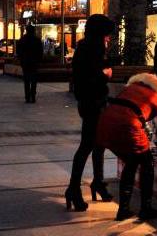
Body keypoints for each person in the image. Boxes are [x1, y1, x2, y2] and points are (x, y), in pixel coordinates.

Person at [97, 37, 157, 221]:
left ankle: (124, 209)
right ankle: (145, 208)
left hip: (105, 122)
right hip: (127, 126)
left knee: (131, 163)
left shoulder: (139, 83)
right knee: (146, 163)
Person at [64, 14, 115, 212]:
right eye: (106, 34)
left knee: (98, 144)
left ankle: (98, 182)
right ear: (99, 33)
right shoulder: (89, 49)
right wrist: (105, 74)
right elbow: (91, 77)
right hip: (91, 103)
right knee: (87, 145)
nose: (108, 38)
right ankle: (73, 188)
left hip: (95, 102)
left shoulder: (91, 47)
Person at [16, 25, 43, 103]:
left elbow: (19, 52)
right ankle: (33, 96)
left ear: (26, 30)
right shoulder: (37, 40)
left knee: (26, 80)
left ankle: (27, 97)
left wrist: (21, 60)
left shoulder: (22, 40)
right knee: (34, 80)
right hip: (34, 63)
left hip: (25, 63)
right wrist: (39, 61)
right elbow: (40, 52)